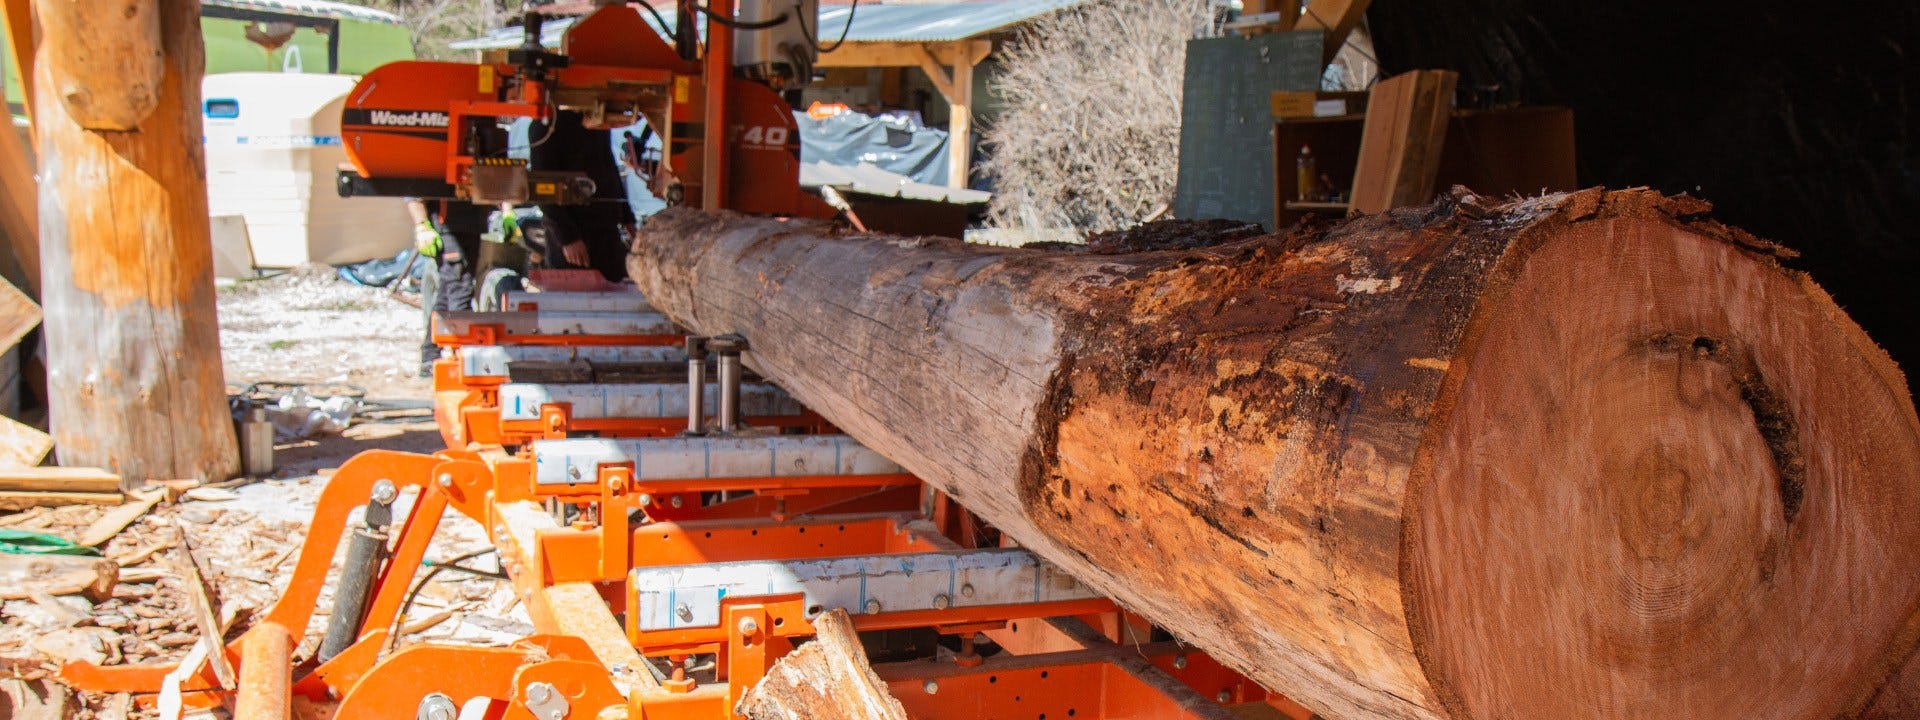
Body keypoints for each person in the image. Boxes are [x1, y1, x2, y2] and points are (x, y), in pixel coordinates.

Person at [530, 109, 635, 283]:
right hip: (574, 241)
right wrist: (568, 238)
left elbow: (609, 166)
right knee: (575, 303)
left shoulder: (596, 118)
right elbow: (542, 189)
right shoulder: (547, 124)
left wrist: (627, 216)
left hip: (607, 234)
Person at [409, 197, 491, 376]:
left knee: (446, 293)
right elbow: (414, 193)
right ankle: (466, 359)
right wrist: (421, 225)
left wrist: (506, 209)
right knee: (460, 289)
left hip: (472, 224)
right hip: (447, 228)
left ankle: (430, 355)